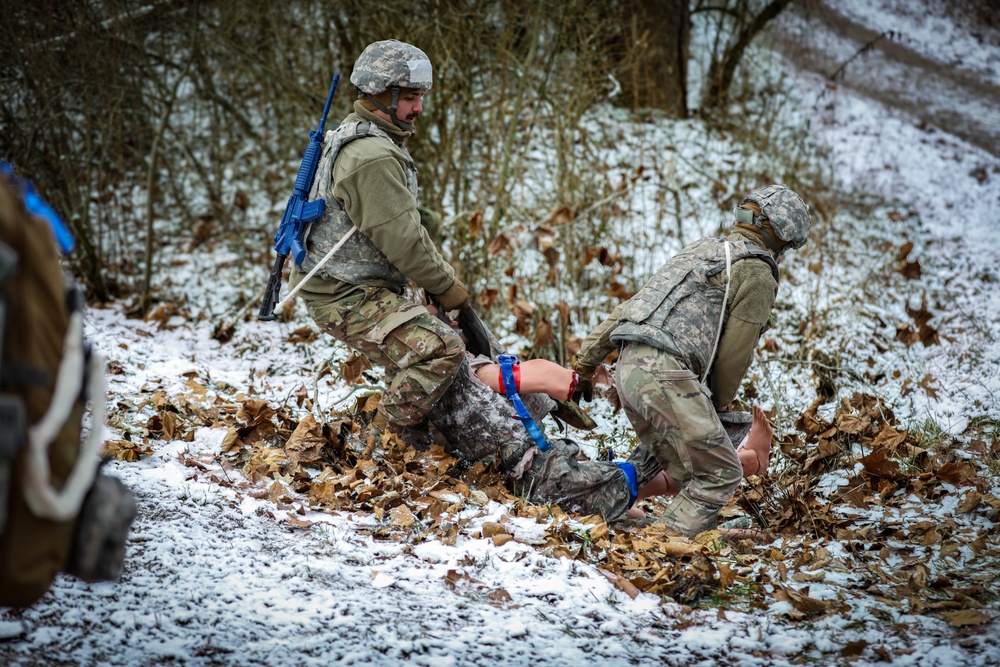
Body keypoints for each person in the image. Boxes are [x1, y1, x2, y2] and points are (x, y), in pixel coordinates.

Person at [287, 40, 635, 521]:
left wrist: (441, 290)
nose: (419, 107)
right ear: (382, 94)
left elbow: (407, 233)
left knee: (440, 345)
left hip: (359, 285)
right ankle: (383, 444)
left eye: (420, 95)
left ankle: (425, 435)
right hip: (345, 294)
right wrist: (450, 290)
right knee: (439, 349)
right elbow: (404, 240)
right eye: (409, 96)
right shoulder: (369, 156)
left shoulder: (366, 140)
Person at [571, 184, 811, 537]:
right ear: (781, 239)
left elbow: (631, 309)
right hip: (666, 374)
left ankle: (595, 504)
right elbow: (734, 354)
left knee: (683, 468)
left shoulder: (701, 249)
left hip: (628, 368)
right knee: (720, 473)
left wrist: (585, 363)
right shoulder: (758, 273)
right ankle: (664, 545)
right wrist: (718, 403)